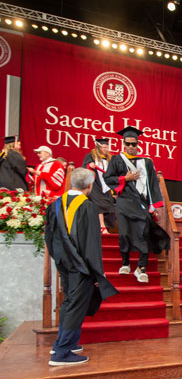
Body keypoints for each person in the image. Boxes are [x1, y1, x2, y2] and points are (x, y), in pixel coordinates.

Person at [45, 168, 118, 366]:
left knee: (70, 301)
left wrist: (59, 258)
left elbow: (49, 238)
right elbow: (91, 242)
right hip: (81, 265)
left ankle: (64, 343)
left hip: (63, 262)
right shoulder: (88, 207)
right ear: (89, 185)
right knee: (75, 306)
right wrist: (97, 270)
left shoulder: (55, 205)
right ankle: (61, 352)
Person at [103, 126, 170, 283]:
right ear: (123, 144)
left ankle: (141, 267)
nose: (131, 147)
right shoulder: (117, 160)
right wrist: (124, 179)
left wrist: (155, 205)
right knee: (124, 233)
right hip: (124, 202)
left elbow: (153, 183)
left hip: (141, 203)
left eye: (134, 144)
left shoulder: (146, 162)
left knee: (143, 233)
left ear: (138, 144)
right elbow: (108, 179)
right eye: (128, 144)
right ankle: (125, 263)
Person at [83, 138, 116, 234]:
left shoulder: (110, 158)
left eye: (107, 147)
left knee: (109, 205)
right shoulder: (90, 156)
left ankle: (105, 227)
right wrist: (90, 165)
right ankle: (102, 227)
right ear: (98, 147)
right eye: (104, 147)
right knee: (98, 202)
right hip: (94, 184)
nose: (106, 149)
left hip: (106, 186)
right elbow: (85, 167)